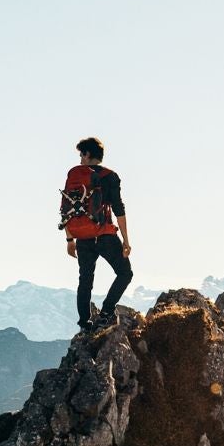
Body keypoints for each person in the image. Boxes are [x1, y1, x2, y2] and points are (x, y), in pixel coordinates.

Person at [59, 136, 133, 331]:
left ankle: (84, 323)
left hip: (82, 238)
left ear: (88, 153)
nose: (80, 159)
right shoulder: (110, 176)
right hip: (105, 235)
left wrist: (70, 239)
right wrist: (126, 240)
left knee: (85, 280)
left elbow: (67, 208)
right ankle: (106, 313)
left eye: (81, 154)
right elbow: (118, 209)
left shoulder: (75, 177)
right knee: (125, 273)